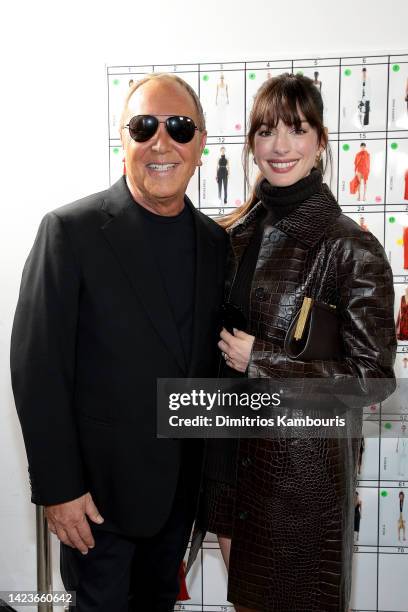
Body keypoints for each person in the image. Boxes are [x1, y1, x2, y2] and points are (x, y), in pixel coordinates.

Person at [10, 73, 227, 612]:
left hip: (178, 502)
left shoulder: (216, 243)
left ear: (201, 144)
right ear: (123, 140)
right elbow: (38, 368)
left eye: (179, 127)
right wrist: (59, 489)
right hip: (95, 507)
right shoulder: (70, 231)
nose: (161, 142)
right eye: (143, 126)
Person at [196, 73, 396, 612]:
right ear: (250, 145)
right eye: (266, 132)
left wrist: (265, 360)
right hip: (227, 460)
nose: (280, 146)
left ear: (321, 141)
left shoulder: (350, 247)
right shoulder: (232, 235)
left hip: (297, 478)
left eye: (297, 129)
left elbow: (372, 377)